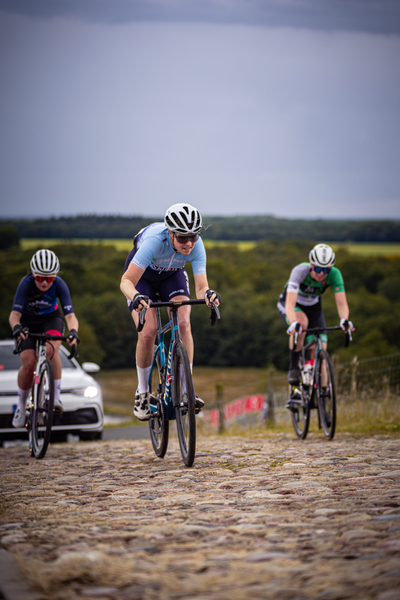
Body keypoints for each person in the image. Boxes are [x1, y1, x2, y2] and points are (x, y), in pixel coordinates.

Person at [120, 203, 221, 421]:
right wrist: (136, 297)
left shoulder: (196, 245)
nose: (189, 243)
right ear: (170, 233)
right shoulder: (154, 242)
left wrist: (209, 295)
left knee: (184, 323)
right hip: (142, 279)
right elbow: (126, 281)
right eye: (183, 238)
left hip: (171, 277)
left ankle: (187, 391)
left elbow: (201, 287)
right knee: (148, 332)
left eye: (193, 236)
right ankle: (143, 393)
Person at [9, 249, 80, 428]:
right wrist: (17, 328)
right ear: (33, 274)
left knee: (52, 351)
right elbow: (14, 315)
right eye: (40, 278)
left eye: (49, 278)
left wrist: (73, 332)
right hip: (27, 322)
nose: (44, 282)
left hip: (51, 320)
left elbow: (70, 316)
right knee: (29, 363)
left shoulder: (60, 284)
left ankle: (55, 399)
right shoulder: (25, 284)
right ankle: (21, 406)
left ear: (55, 276)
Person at [277, 243, 354, 386]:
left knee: (321, 352)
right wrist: (293, 322)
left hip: (314, 308)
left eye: (326, 270)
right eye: (318, 269)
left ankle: (322, 397)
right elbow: (289, 304)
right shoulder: (299, 271)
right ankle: (293, 367)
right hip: (292, 304)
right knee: (302, 325)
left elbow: (342, 303)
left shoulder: (335, 275)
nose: (321, 274)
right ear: (311, 264)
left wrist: (344, 320)